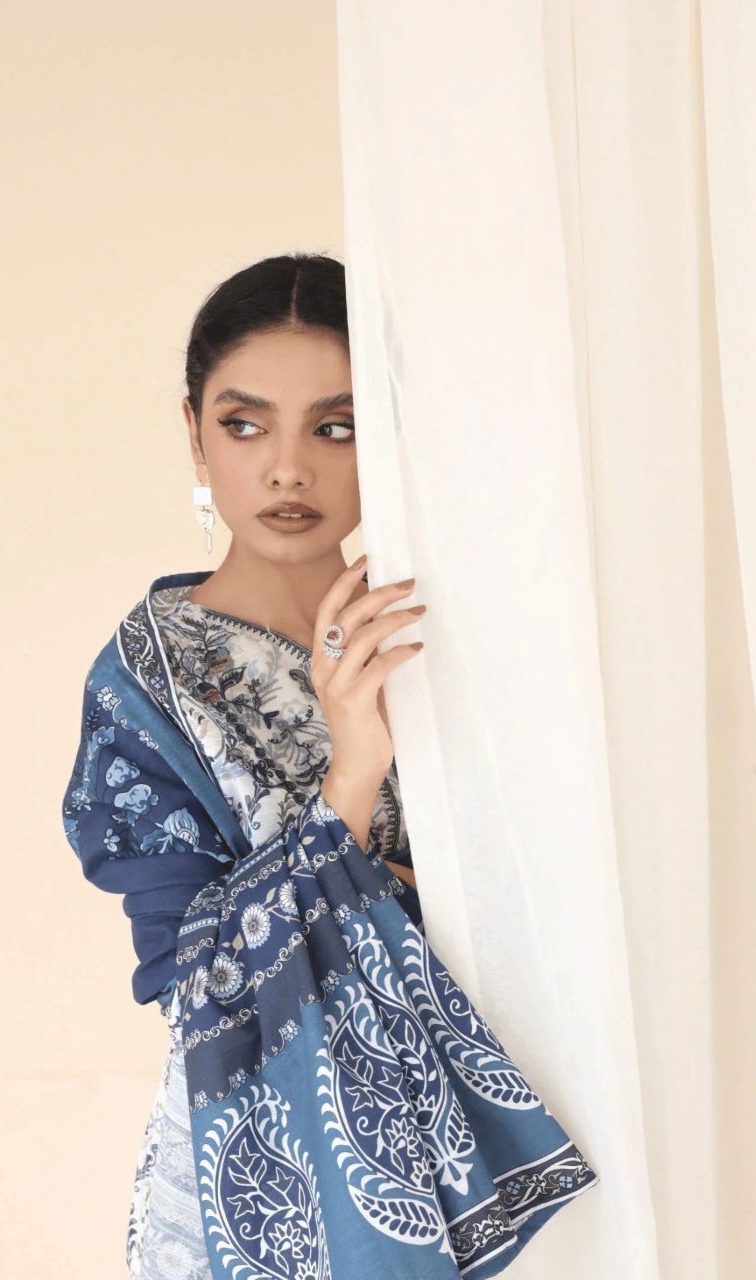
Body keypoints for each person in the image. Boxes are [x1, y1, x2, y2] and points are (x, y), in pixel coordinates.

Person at [62, 253, 598, 1280]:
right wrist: (351, 777)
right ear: (193, 431)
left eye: (336, 427)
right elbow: (199, 978)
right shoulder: (149, 683)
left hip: (548, 1110)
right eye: (245, 423)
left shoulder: (466, 622)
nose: (287, 468)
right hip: (284, 1180)